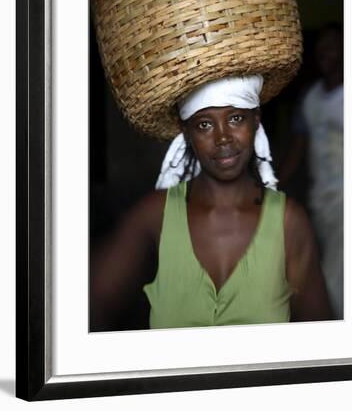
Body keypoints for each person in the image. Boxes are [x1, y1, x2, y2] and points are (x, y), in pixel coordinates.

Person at [91, 75, 331, 330]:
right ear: (187, 133)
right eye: (204, 125)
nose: (222, 138)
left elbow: (324, 341)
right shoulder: (155, 215)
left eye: (235, 118)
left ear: (256, 120)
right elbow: (90, 306)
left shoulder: (288, 223)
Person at [278, 23, 344, 319]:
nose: (324, 54)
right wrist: (273, 184)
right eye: (321, 49)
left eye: (332, 46)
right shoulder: (311, 98)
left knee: (335, 275)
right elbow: (297, 150)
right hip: (322, 201)